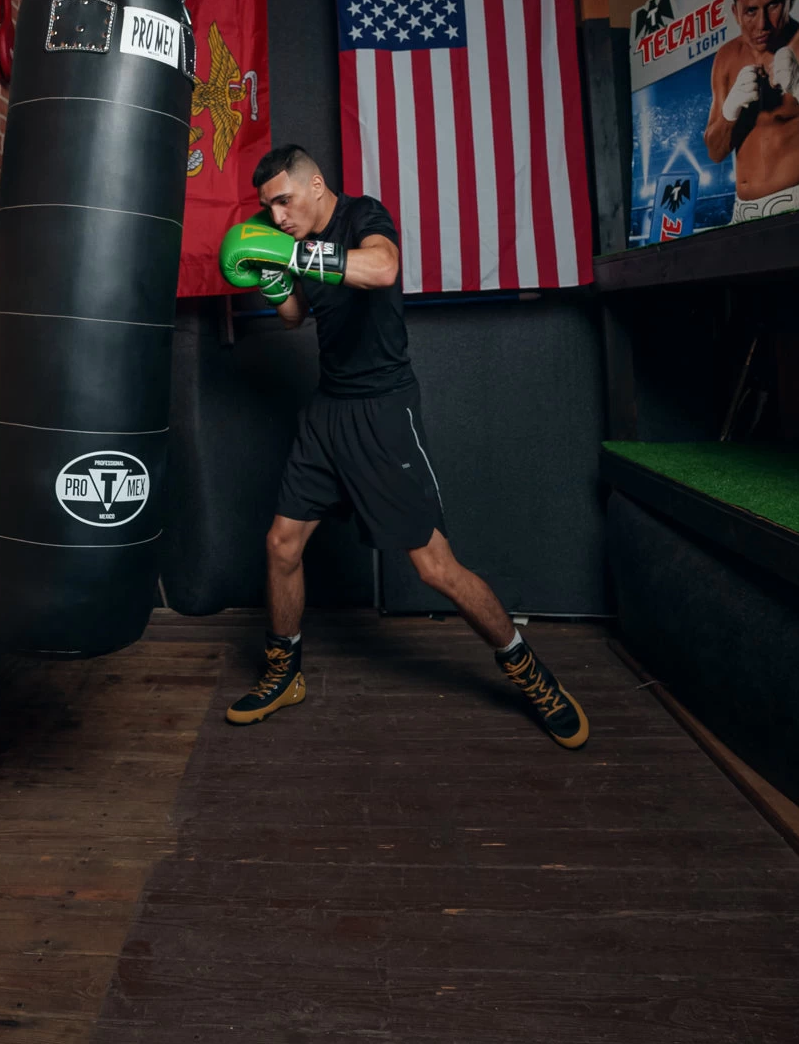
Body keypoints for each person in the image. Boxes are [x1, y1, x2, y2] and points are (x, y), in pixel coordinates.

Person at [217, 144, 589, 750]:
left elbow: (382, 268)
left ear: (315, 185)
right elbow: (293, 317)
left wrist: (293, 254)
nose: (276, 217)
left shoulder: (363, 215)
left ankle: (528, 670)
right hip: (328, 410)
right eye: (268, 208)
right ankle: (284, 672)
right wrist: (271, 278)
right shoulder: (292, 239)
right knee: (281, 544)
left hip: (383, 411)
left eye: (283, 201)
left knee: (434, 566)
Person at [704, 0, 799, 222]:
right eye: (750, 11)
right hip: (743, 213)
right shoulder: (727, 57)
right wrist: (730, 111)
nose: (762, 24)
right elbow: (715, 152)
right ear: (735, 12)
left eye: (773, 5)